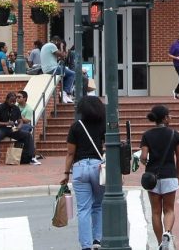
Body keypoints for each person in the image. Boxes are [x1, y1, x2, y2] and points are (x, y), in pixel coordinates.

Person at [62, 94, 106, 250]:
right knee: (98, 205)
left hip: (80, 167)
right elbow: (108, 148)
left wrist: (66, 173)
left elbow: (70, 153)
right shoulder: (103, 125)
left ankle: (86, 245)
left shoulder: (76, 126)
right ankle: (97, 240)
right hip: (97, 166)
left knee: (83, 209)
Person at [140, 104, 179, 250]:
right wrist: (177, 176)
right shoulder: (174, 134)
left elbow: (144, 157)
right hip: (170, 175)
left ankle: (160, 243)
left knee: (156, 212)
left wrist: (142, 159)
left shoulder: (147, 135)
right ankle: (168, 233)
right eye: (169, 115)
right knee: (169, 209)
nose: (170, 117)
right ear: (165, 118)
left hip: (152, 177)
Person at [0, 90, 40, 167]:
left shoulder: (16, 108)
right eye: (11, 101)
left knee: (27, 135)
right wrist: (6, 123)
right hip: (1, 128)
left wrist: (19, 127)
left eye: (14, 101)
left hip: (12, 129)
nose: (13, 103)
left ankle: (32, 158)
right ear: (7, 99)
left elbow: (20, 121)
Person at [41, 35, 78, 103]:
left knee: (64, 73)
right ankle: (64, 92)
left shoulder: (46, 46)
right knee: (72, 74)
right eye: (58, 43)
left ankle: (65, 94)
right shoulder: (52, 46)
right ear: (56, 41)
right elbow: (63, 56)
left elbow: (59, 58)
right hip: (52, 69)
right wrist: (61, 47)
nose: (58, 46)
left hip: (46, 69)